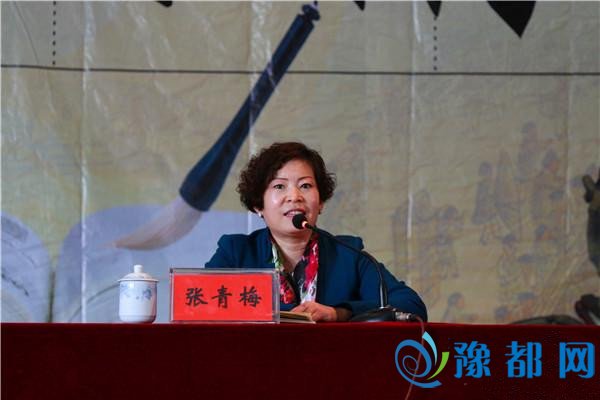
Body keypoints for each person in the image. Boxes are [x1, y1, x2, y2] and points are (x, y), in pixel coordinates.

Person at [205, 142, 427, 322]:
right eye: (279, 186)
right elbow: (199, 306)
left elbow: (410, 305)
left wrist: (339, 313)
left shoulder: (349, 254)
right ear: (258, 205)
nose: (295, 196)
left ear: (320, 202)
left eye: (306, 186)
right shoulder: (236, 253)